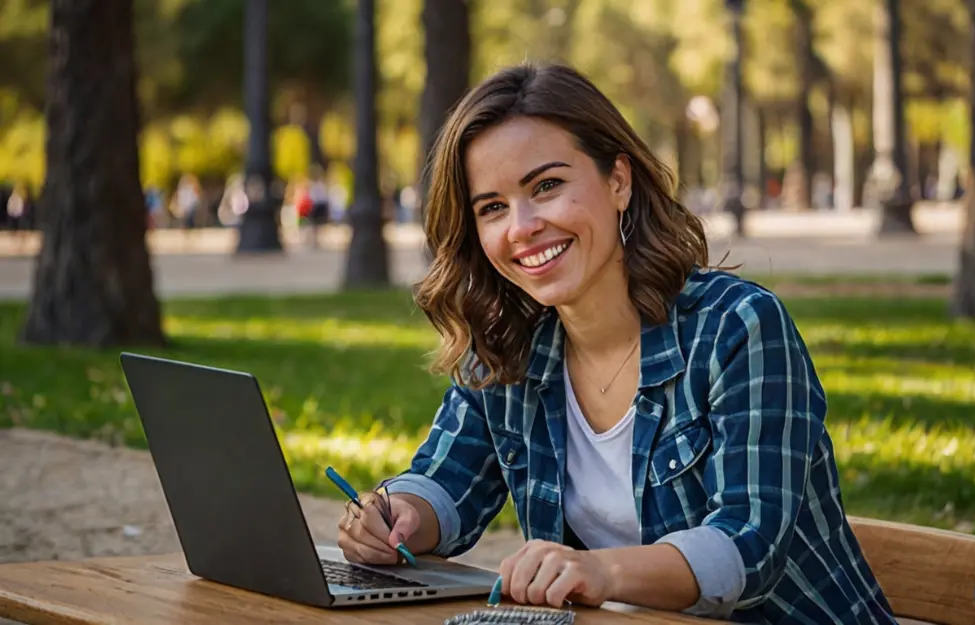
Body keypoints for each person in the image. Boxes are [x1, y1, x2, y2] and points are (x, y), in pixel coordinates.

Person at [337, 63, 897, 624]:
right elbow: (446, 483)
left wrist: (602, 571)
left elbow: (749, 547)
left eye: (547, 186)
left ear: (618, 182)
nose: (522, 226)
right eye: (493, 207)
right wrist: (397, 515)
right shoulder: (509, 346)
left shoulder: (737, 327)